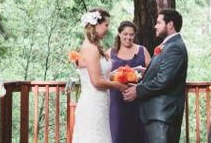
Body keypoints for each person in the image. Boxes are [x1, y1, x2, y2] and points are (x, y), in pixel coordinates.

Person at [123, 8, 188, 143]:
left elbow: (163, 81)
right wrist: (139, 82)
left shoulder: (174, 48)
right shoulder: (168, 45)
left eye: (159, 23)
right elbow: (157, 76)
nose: (155, 26)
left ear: (170, 24)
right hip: (158, 114)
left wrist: (138, 90)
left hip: (164, 115)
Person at [71, 8, 128, 143]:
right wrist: (119, 86)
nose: (108, 29)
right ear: (96, 25)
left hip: (100, 103)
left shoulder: (94, 46)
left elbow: (100, 74)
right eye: (106, 25)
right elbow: (96, 81)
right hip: (93, 104)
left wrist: (117, 75)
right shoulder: (91, 48)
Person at [109, 21, 151, 143]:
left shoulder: (142, 51)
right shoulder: (110, 53)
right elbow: (104, 76)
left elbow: (153, 74)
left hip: (137, 102)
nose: (128, 37)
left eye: (131, 35)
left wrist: (144, 73)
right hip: (117, 103)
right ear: (119, 34)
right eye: (125, 34)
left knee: (138, 135)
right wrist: (114, 74)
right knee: (118, 135)